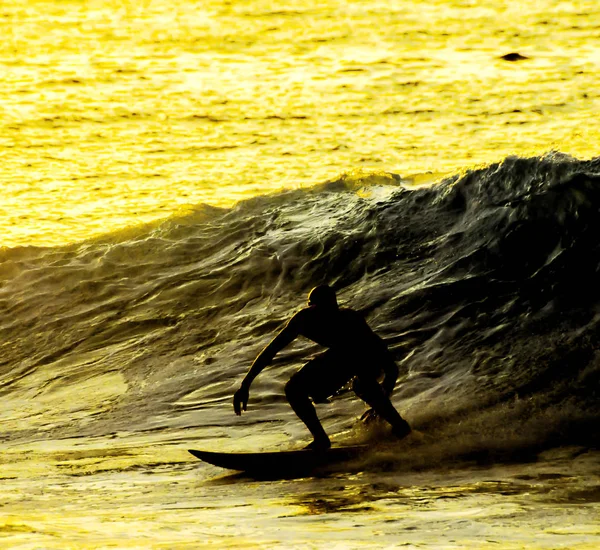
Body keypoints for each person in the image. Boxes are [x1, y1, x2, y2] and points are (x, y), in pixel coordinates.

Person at [233, 285, 411, 450]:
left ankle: (401, 430)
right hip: (342, 355)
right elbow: (271, 351)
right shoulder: (304, 320)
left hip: (365, 356)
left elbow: (381, 356)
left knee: (362, 385)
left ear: (335, 305)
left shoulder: (350, 319)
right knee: (294, 388)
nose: (328, 311)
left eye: (331, 306)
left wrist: (386, 389)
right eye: (322, 307)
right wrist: (246, 384)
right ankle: (321, 440)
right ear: (312, 307)